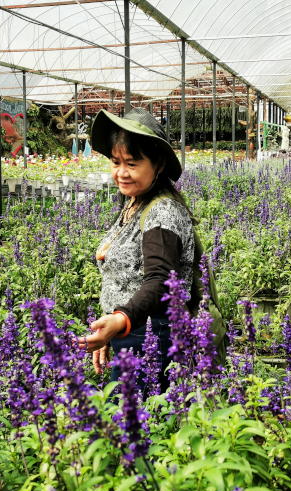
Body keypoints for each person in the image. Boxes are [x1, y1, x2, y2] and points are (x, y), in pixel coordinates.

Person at [76, 108, 195, 393]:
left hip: (151, 338)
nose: (121, 172)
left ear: (159, 165)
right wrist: (110, 333)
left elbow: (160, 280)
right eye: (115, 162)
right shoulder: (135, 203)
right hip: (132, 334)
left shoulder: (162, 212)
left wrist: (119, 321)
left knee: (141, 425)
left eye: (132, 163)